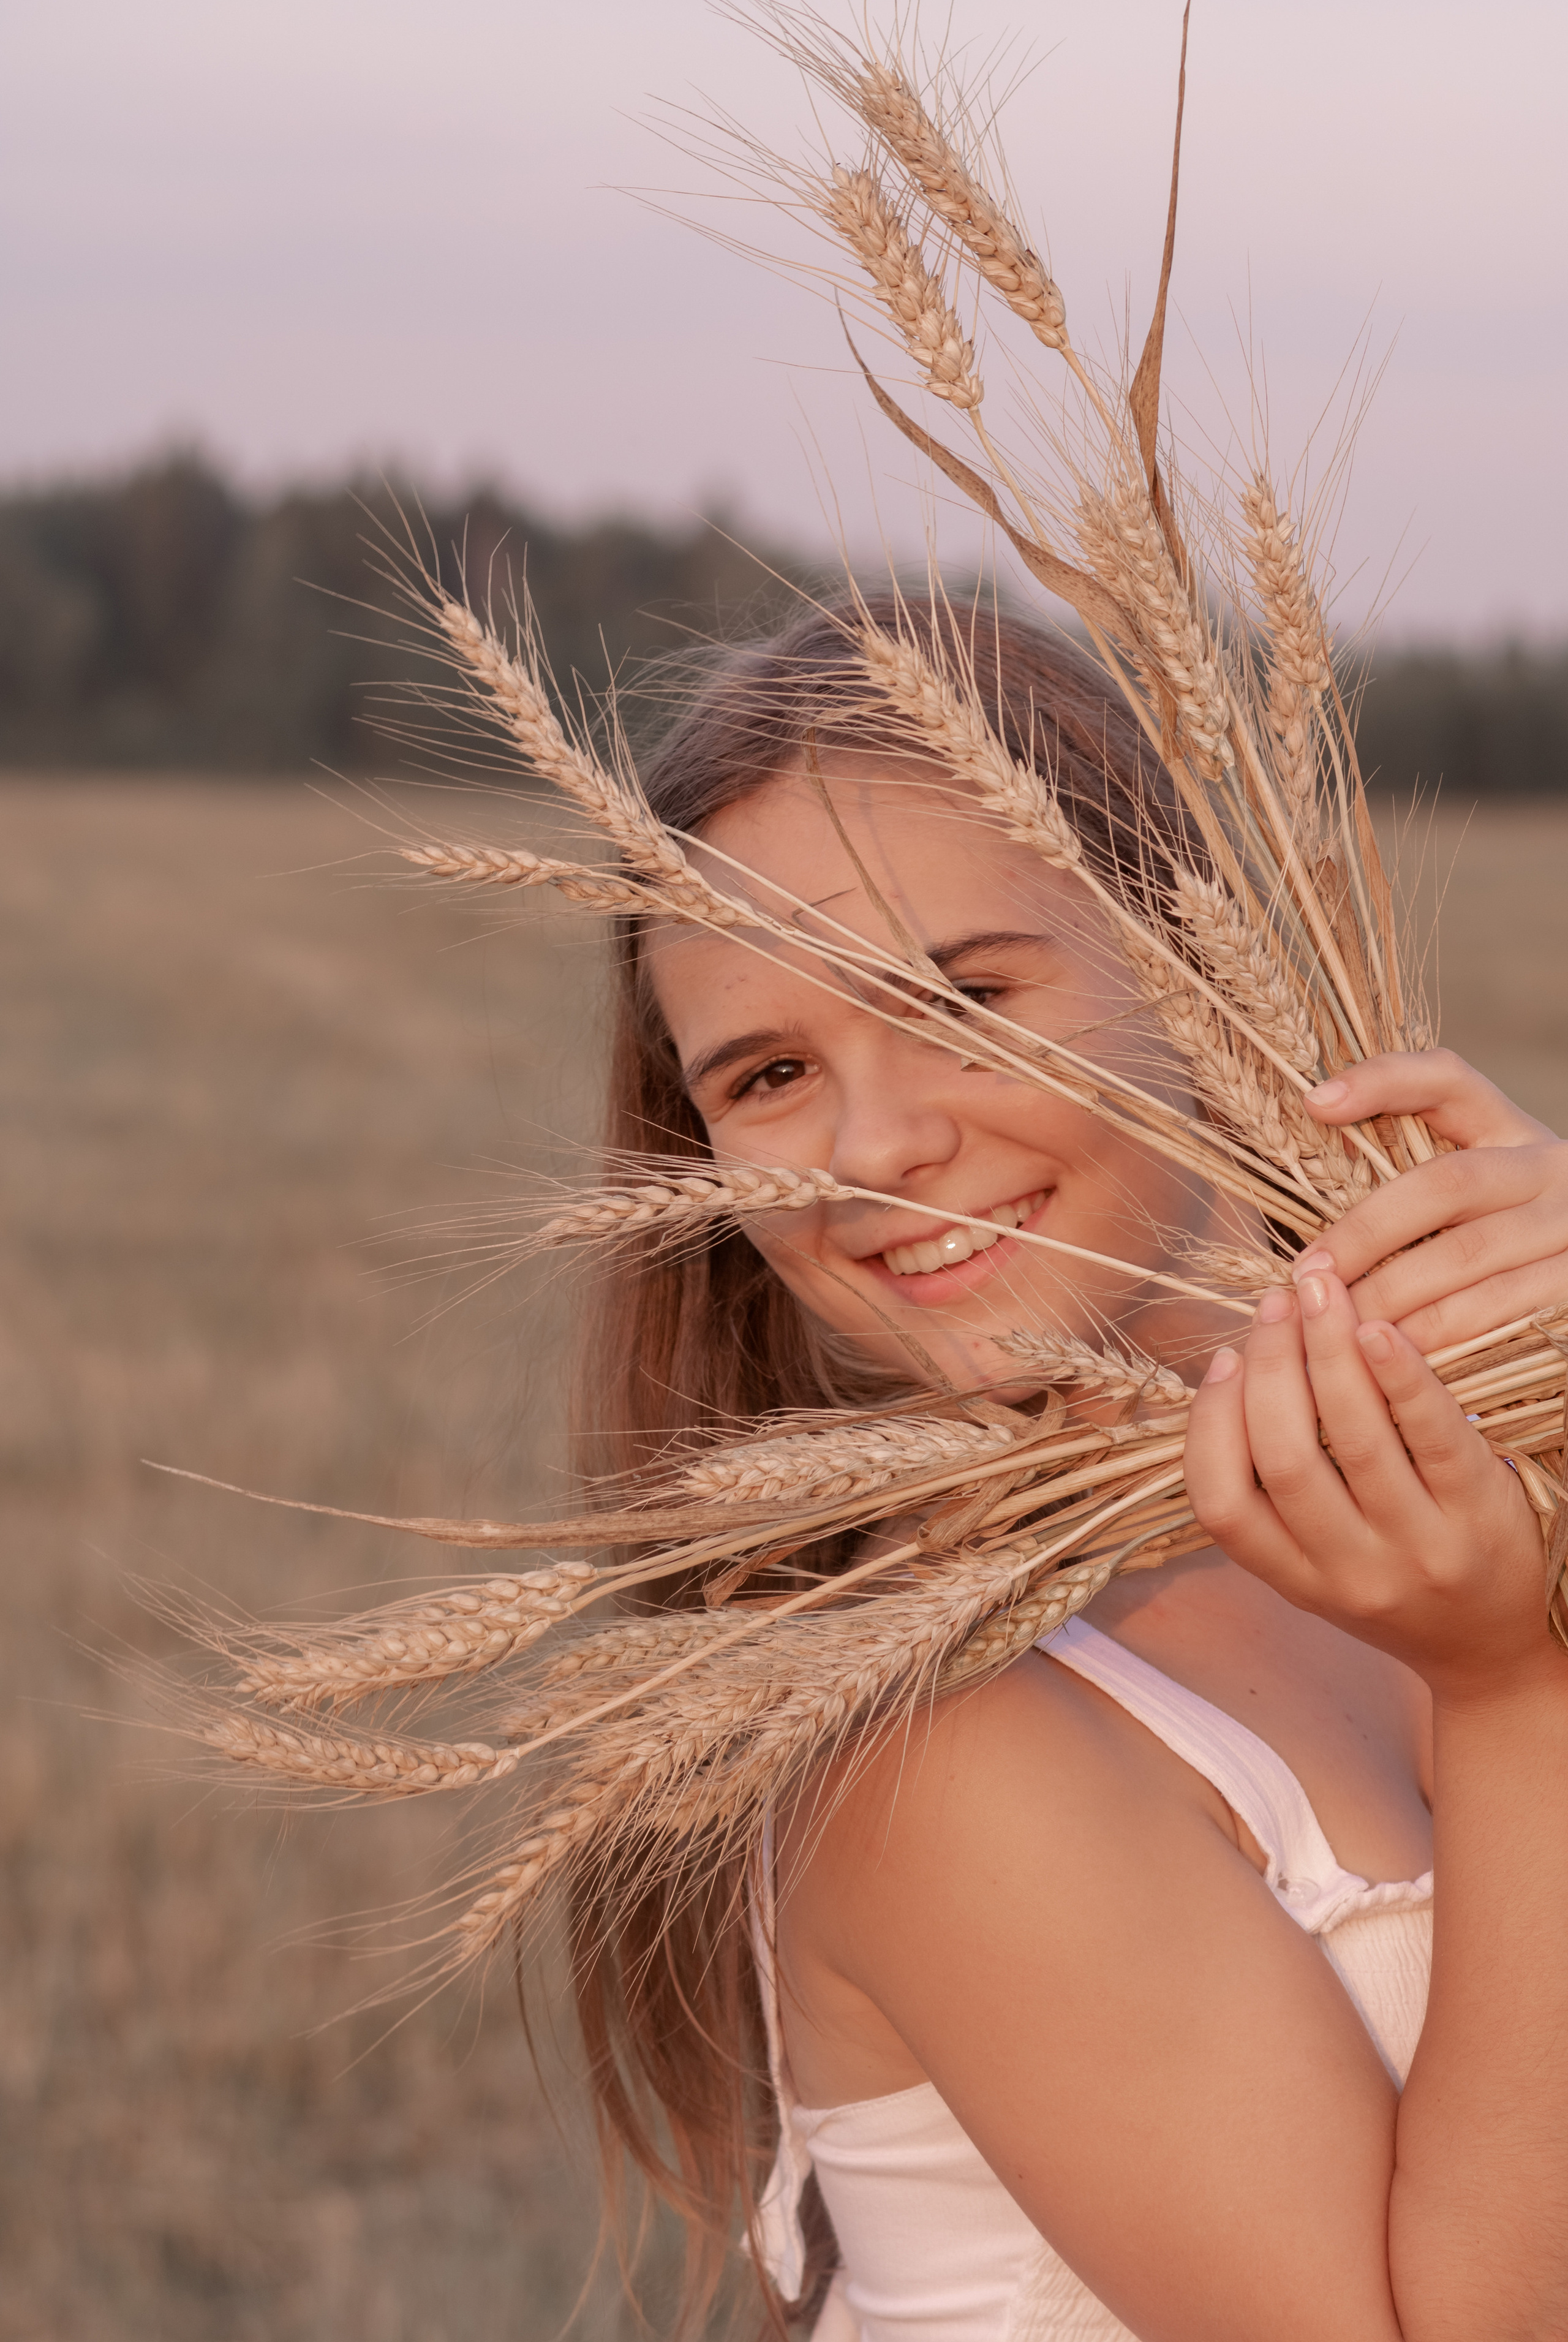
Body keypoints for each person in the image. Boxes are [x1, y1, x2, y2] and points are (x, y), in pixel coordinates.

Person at [564, 596, 1568, 2341]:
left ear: (1192, 954)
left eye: (962, 999)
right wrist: (1510, 1693)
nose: (880, 1142)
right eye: (773, 1070)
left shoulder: (1474, 1488)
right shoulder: (937, 1746)